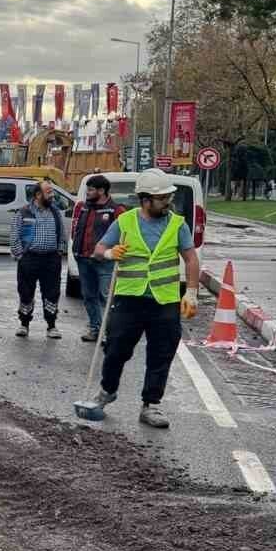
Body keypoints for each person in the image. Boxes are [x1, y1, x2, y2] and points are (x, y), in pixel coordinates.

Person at [92, 167, 199, 429]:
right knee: (116, 349)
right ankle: (107, 391)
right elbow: (98, 249)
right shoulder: (125, 222)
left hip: (165, 301)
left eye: (168, 198)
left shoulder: (177, 224)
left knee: (161, 353)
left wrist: (192, 293)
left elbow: (191, 258)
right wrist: (109, 254)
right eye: (162, 198)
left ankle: (151, 405)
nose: (167, 202)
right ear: (146, 199)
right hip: (129, 299)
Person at [11, 178, 65, 340]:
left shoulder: (55, 212)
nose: (52, 195)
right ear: (37, 194)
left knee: (52, 293)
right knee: (26, 292)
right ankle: (24, 324)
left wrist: (59, 252)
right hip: (29, 259)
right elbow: (14, 236)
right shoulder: (24, 212)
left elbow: (61, 235)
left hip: (51, 260)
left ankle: (51, 325)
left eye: (52, 192)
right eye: (49, 192)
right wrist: (21, 255)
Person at [72, 174, 122, 341]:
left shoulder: (116, 210)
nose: (88, 193)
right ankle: (95, 329)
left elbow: (125, 236)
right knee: (89, 296)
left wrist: (111, 253)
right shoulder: (85, 207)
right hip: (84, 260)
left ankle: (109, 333)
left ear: (102, 191)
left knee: (106, 298)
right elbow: (77, 229)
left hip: (105, 262)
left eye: (91, 190)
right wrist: (76, 251)